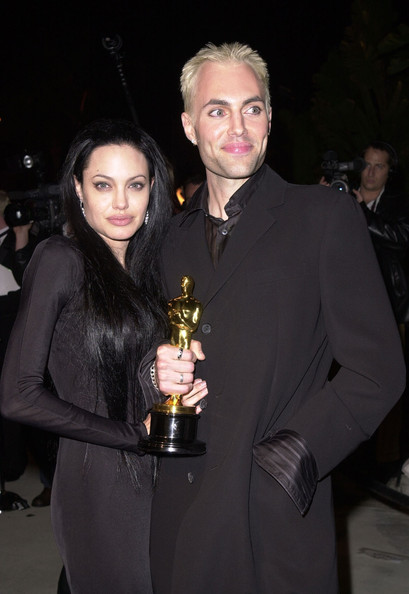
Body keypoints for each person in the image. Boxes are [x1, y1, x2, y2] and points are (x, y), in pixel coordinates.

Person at [147, 42, 406, 594]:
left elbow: (378, 368)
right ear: (190, 126)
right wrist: (155, 372)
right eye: (217, 110)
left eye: (253, 107)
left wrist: (298, 455)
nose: (238, 125)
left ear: (269, 120)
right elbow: (145, 349)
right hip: (181, 502)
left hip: (269, 516)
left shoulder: (322, 217)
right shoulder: (167, 239)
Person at [0, 118, 207, 593]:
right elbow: (18, 395)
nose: (120, 202)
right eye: (102, 184)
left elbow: (137, 370)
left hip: (161, 471)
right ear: (77, 188)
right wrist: (132, 435)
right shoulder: (61, 259)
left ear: (153, 189)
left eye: (134, 185)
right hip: (101, 482)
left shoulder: (151, 269)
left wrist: (176, 379)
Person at [0, 190, 56, 507]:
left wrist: (20, 232)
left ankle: (50, 477)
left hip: (17, 322)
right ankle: (12, 465)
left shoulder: (30, 238)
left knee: (29, 395)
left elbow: (26, 276)